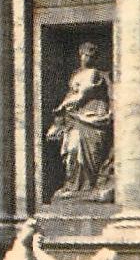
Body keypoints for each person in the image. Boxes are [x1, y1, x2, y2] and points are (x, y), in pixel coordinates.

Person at [46, 41, 114, 199]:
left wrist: (63, 106)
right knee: (72, 150)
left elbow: (83, 95)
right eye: (83, 54)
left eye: (89, 55)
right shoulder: (76, 74)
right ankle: (72, 185)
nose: (85, 58)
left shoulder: (94, 74)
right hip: (75, 119)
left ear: (94, 58)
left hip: (92, 116)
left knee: (88, 153)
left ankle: (87, 186)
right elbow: (71, 94)